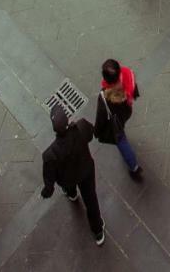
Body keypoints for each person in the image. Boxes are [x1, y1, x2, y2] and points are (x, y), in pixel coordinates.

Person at [40, 105, 105, 247]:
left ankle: (72, 194)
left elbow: (49, 179)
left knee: (69, 184)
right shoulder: (80, 127)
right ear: (67, 120)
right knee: (91, 200)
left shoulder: (50, 155)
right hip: (86, 171)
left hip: (67, 179)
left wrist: (47, 191)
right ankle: (98, 230)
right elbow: (92, 132)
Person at [97, 60, 143, 180]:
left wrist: (97, 131)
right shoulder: (128, 73)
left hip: (115, 122)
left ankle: (134, 168)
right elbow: (134, 91)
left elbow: (101, 116)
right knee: (122, 128)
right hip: (127, 111)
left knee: (121, 141)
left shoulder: (105, 96)